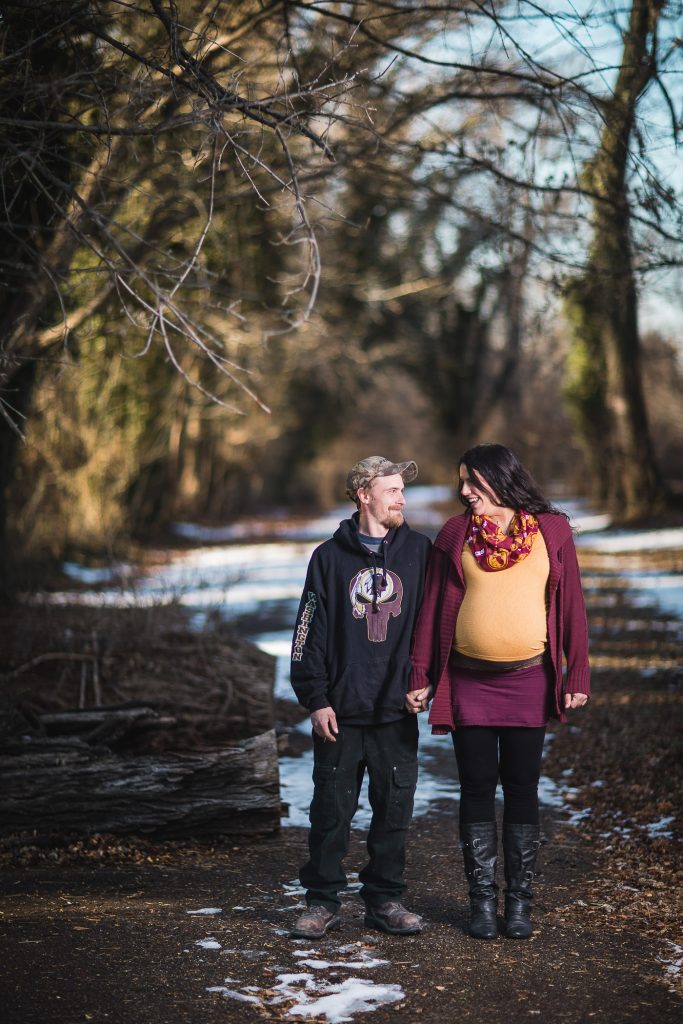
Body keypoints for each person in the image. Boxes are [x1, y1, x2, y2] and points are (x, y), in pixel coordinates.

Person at [409, 443, 590, 940]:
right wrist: (420, 674)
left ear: (498, 479)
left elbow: (571, 602)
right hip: (468, 681)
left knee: (523, 787)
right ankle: (483, 903)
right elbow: (430, 609)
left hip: (529, 680)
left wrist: (577, 673)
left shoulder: (550, 531)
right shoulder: (455, 533)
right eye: (462, 482)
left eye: (472, 482)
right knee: (476, 787)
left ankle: (519, 904)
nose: (464, 491)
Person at [289, 456, 432, 939]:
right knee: (331, 810)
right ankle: (322, 901)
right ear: (362, 494)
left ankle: (385, 900)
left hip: (396, 708)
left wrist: (426, 679)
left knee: (395, 810)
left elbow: (433, 628)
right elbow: (306, 632)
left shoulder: (419, 552)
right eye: (390, 489)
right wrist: (315, 698)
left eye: (402, 489)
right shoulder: (328, 558)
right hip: (340, 711)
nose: (401, 498)